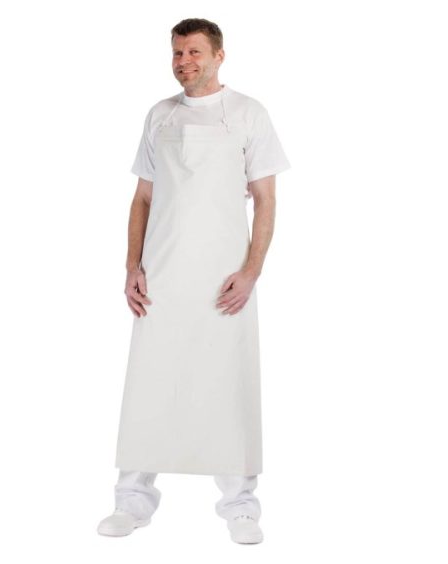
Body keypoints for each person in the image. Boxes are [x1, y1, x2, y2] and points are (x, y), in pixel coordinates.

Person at [97, 18, 291, 544]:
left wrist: (251, 271)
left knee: (228, 382)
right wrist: (132, 267)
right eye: (178, 53)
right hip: (161, 275)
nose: (184, 62)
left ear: (219, 55)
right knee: (150, 382)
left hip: (223, 279)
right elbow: (143, 198)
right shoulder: (159, 115)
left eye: (194, 52)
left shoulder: (248, 113)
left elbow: (266, 199)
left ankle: (240, 506)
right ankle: (131, 501)